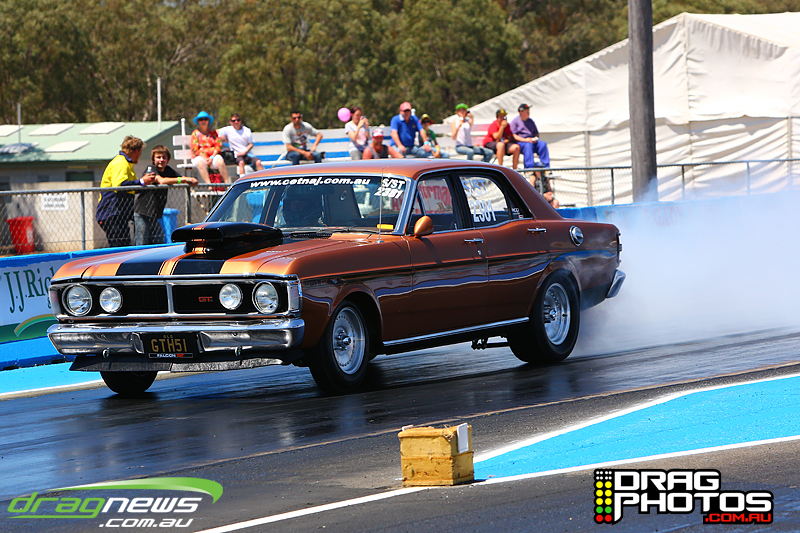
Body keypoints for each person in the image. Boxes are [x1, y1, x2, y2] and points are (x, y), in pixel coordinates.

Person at [96, 136, 156, 247]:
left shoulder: (127, 163)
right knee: (118, 247)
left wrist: (144, 183)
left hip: (119, 214)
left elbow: (131, 189)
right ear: (136, 151)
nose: (140, 155)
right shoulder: (121, 163)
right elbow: (120, 186)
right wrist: (141, 181)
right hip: (111, 213)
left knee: (124, 245)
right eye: (140, 152)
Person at [134, 146, 198, 245]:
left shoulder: (168, 170)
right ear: (153, 160)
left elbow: (182, 178)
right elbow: (162, 181)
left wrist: (191, 180)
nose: (161, 160)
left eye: (164, 157)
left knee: (158, 242)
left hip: (155, 215)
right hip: (143, 213)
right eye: (158, 157)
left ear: (168, 160)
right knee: (142, 242)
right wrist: (183, 180)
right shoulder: (151, 168)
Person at [190, 111, 231, 185]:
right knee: (200, 163)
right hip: (201, 156)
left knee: (220, 162)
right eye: (201, 120)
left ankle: (227, 184)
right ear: (198, 122)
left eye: (205, 119)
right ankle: (209, 185)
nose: (203, 121)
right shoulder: (195, 133)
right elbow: (195, 149)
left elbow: (218, 146)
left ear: (208, 121)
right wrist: (205, 158)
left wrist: (212, 157)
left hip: (213, 156)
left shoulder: (213, 132)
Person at [510, 103, 551, 169]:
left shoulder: (530, 121)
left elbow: (536, 133)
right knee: (527, 145)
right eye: (526, 112)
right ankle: (529, 167)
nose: (528, 113)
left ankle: (546, 166)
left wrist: (535, 139)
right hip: (521, 142)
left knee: (542, 144)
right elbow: (514, 136)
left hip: (532, 141)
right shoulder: (515, 122)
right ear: (521, 112)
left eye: (528, 111)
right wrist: (526, 140)